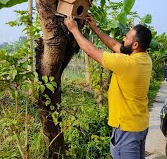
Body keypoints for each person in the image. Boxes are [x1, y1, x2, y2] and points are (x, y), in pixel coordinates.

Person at [64, 15, 152, 159]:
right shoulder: (144, 59)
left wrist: (74, 29)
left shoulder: (126, 63)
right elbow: (115, 45)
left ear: (135, 45)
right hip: (140, 126)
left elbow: (91, 50)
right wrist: (96, 29)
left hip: (126, 129)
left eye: (127, 37)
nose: (123, 38)